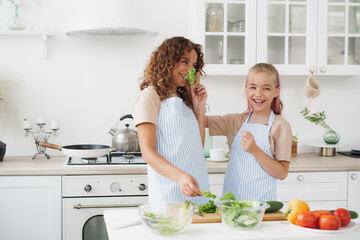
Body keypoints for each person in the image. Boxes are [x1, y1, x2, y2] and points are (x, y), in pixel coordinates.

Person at [132, 36, 210, 205]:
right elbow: (148, 153)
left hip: (197, 190)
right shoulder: (150, 96)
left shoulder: (184, 100)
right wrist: (181, 177)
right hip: (171, 192)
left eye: (194, 65)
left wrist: (198, 108)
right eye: (184, 61)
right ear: (168, 61)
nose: (190, 70)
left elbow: (197, 147)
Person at [206, 63, 292, 201]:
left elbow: (282, 173)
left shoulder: (280, 125)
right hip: (231, 204)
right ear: (246, 89)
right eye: (253, 87)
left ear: (276, 92)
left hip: (262, 206)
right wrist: (198, 102)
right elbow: (202, 121)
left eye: (266, 88)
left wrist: (255, 150)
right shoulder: (236, 121)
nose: (258, 94)